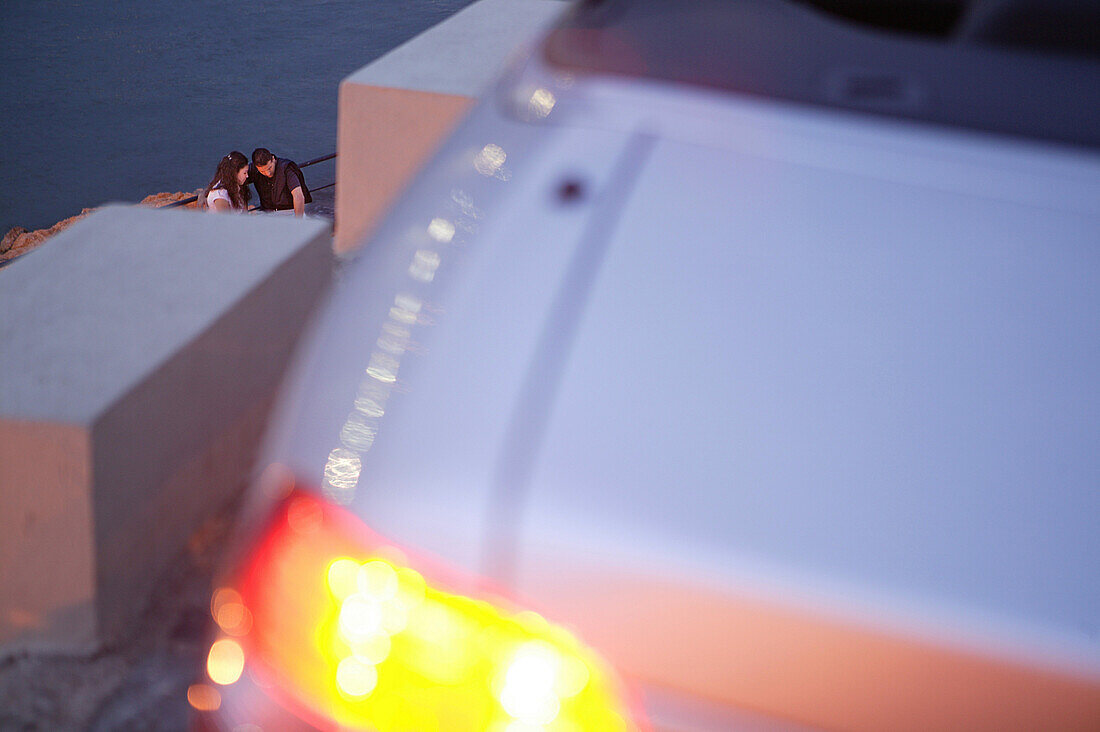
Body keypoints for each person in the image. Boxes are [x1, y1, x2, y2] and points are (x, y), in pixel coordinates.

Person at [249, 148, 312, 217]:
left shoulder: (286, 168)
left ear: (273, 159)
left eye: (269, 168)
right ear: (256, 167)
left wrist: (298, 221)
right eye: (262, 171)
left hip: (289, 211)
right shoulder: (253, 169)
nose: (268, 173)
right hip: (267, 212)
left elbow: (298, 195)